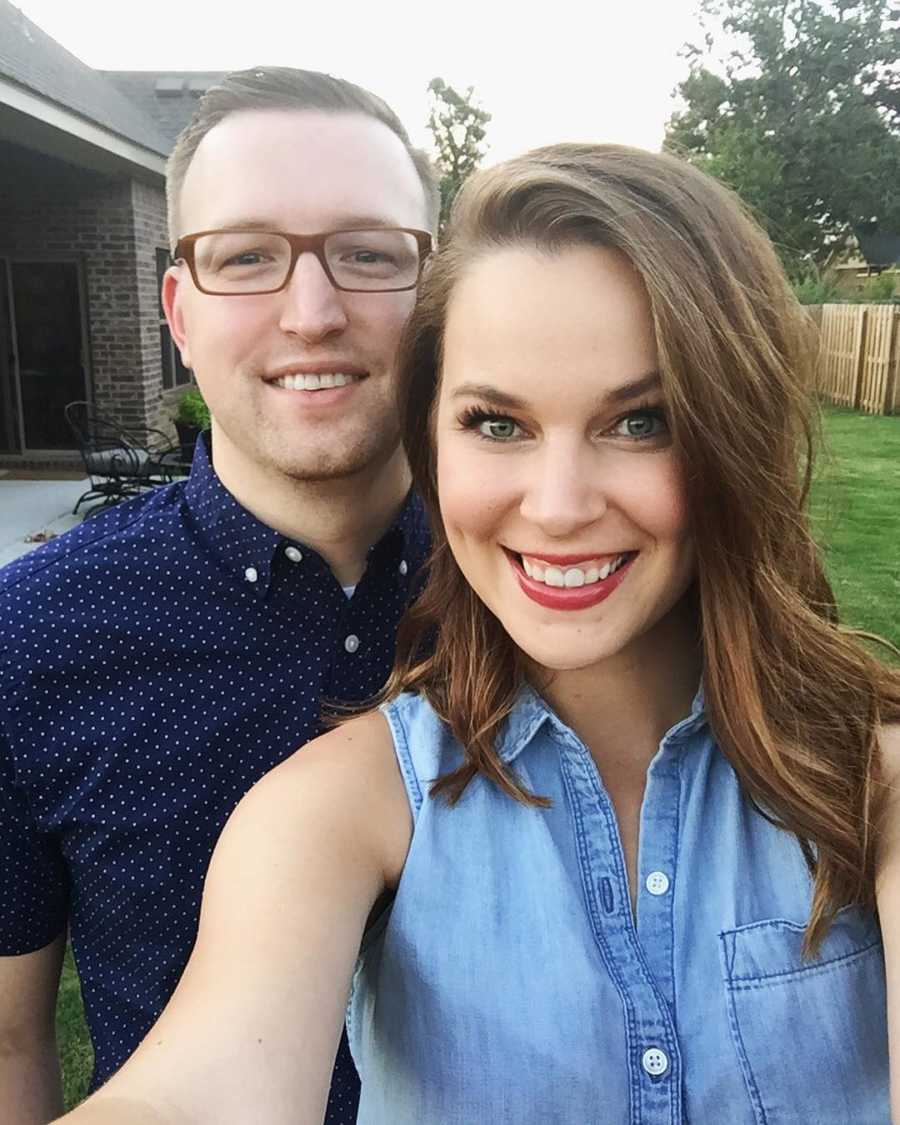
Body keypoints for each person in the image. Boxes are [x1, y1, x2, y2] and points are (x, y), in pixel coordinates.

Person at [54, 143, 900, 1124]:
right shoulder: (340, 811)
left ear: (734, 432)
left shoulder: (873, 783)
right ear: (432, 440)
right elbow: (201, 1087)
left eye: (641, 422)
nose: (558, 506)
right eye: (498, 424)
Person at [0, 66, 437, 1125]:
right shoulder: (30, 641)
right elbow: (12, 1035)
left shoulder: (552, 592)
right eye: (246, 257)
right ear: (179, 313)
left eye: (368, 253)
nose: (313, 311)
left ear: (436, 292)